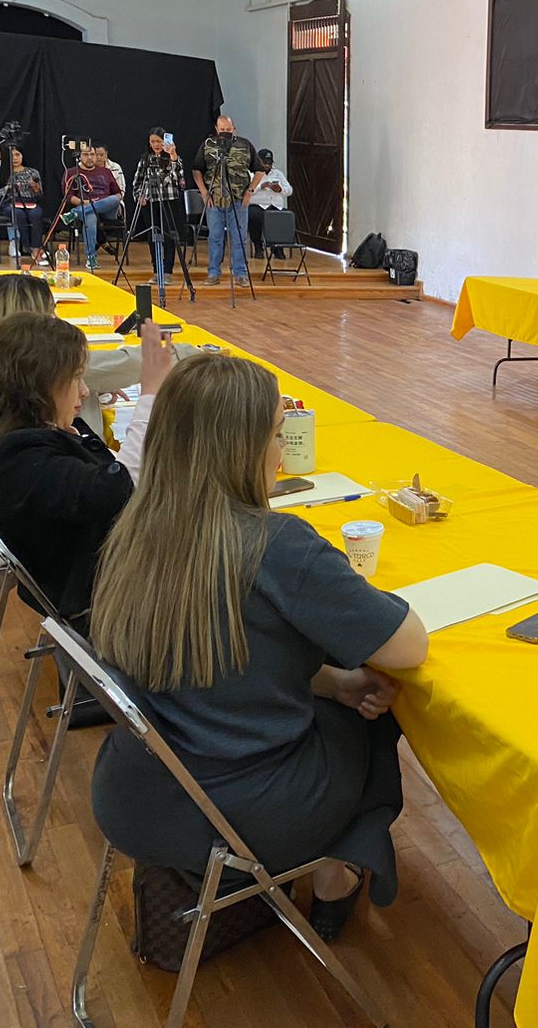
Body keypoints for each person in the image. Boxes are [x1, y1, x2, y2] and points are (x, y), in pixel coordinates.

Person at [88, 354, 429, 939]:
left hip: (136, 795)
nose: (282, 451)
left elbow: (216, 655)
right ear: (240, 448)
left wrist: (332, 682)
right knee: (377, 713)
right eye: (276, 434)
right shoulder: (276, 544)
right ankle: (335, 873)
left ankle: (334, 865)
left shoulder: (135, 529)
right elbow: (408, 646)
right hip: (240, 815)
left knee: (346, 687)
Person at [0, 312, 173, 623]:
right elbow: (117, 489)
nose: (85, 391)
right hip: (106, 598)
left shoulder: (9, 433)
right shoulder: (16, 457)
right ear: (34, 386)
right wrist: (151, 395)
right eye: (75, 378)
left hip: (101, 568)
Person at [0, 272, 195, 438]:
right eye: (51, 312)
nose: (57, 320)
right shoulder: (45, 365)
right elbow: (128, 363)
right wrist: (184, 354)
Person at [193, 114, 264, 286]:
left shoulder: (245, 145)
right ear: (216, 129)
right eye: (222, 129)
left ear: (234, 129)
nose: (225, 132)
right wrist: (204, 192)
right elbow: (197, 169)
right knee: (215, 237)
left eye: (228, 129)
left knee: (239, 237)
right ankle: (213, 273)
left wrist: (250, 191)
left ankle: (240, 273)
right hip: (215, 199)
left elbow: (259, 170)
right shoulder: (208, 145)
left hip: (238, 199)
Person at [131, 128, 189, 277]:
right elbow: (137, 181)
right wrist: (139, 196)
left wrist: (173, 155)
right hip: (151, 201)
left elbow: (178, 179)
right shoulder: (145, 160)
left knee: (169, 235)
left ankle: (168, 270)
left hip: (168, 200)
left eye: (159, 141)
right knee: (153, 236)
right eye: (153, 142)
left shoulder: (173, 158)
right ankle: (157, 270)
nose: (156, 145)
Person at [61, 146, 123, 271]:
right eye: (86, 154)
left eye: (92, 154)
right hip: (85, 205)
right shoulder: (72, 172)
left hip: (107, 209)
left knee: (115, 199)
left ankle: (74, 213)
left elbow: (118, 193)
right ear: (79, 156)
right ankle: (91, 258)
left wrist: (95, 204)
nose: (90, 157)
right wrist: (83, 203)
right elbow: (68, 197)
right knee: (90, 217)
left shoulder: (105, 171)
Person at [246, 148, 293, 260]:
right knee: (254, 216)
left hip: (275, 205)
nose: (267, 165)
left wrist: (280, 189)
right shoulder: (251, 173)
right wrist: (260, 186)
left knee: (284, 217)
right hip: (257, 205)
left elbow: (289, 190)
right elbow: (245, 191)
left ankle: (277, 247)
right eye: (264, 163)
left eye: (269, 163)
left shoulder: (278, 174)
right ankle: (258, 246)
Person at [5, 147, 48, 265]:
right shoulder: (1, 172)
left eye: (17, 155)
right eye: (11, 155)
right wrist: (9, 188)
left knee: (36, 214)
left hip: (30, 202)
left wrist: (35, 187)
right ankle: (28, 246)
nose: (15, 158)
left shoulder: (32, 172)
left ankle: (36, 248)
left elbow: (40, 195)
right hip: (10, 202)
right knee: (19, 214)